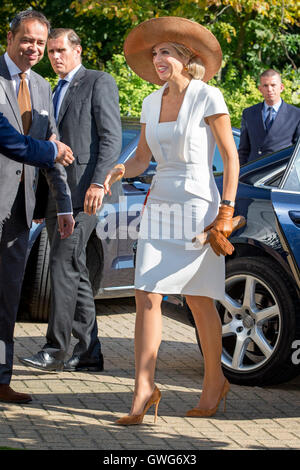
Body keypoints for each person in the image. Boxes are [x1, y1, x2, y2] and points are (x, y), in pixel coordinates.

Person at [103, 17, 240, 425]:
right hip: (160, 202)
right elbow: (143, 158)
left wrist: (227, 211)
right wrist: (118, 169)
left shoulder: (207, 96)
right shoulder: (149, 101)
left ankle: (215, 381)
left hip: (199, 204)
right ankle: (144, 388)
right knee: (146, 292)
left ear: (185, 57)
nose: (157, 58)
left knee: (199, 298)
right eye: (154, 53)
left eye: (165, 52)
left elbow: (230, 157)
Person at [20, 28, 122, 373]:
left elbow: (111, 138)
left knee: (63, 264)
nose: (55, 57)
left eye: (60, 50)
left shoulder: (98, 81)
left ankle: (56, 349)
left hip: (85, 194)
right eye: (50, 52)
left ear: (78, 50)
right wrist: (38, 201)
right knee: (74, 269)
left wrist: (98, 183)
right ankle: (89, 350)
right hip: (55, 191)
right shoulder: (49, 90)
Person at [0, 10, 74, 405]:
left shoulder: (44, 86)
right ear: (10, 37)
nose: (34, 48)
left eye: (40, 43)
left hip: (18, 214)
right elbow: (8, 140)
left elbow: (53, 149)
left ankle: (0, 378)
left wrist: (63, 206)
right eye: (27, 40)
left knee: (6, 301)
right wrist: (52, 149)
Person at [238, 69, 300, 165]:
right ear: (260, 89)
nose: (269, 89)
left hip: (280, 174)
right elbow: (243, 150)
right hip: (253, 173)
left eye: (273, 85)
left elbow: (298, 153)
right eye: (265, 86)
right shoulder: (248, 113)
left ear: (281, 87)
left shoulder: (296, 115)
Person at [0, 111, 74, 167]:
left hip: (31, 183)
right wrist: (53, 150)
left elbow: (51, 134)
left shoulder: (44, 91)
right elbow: (9, 139)